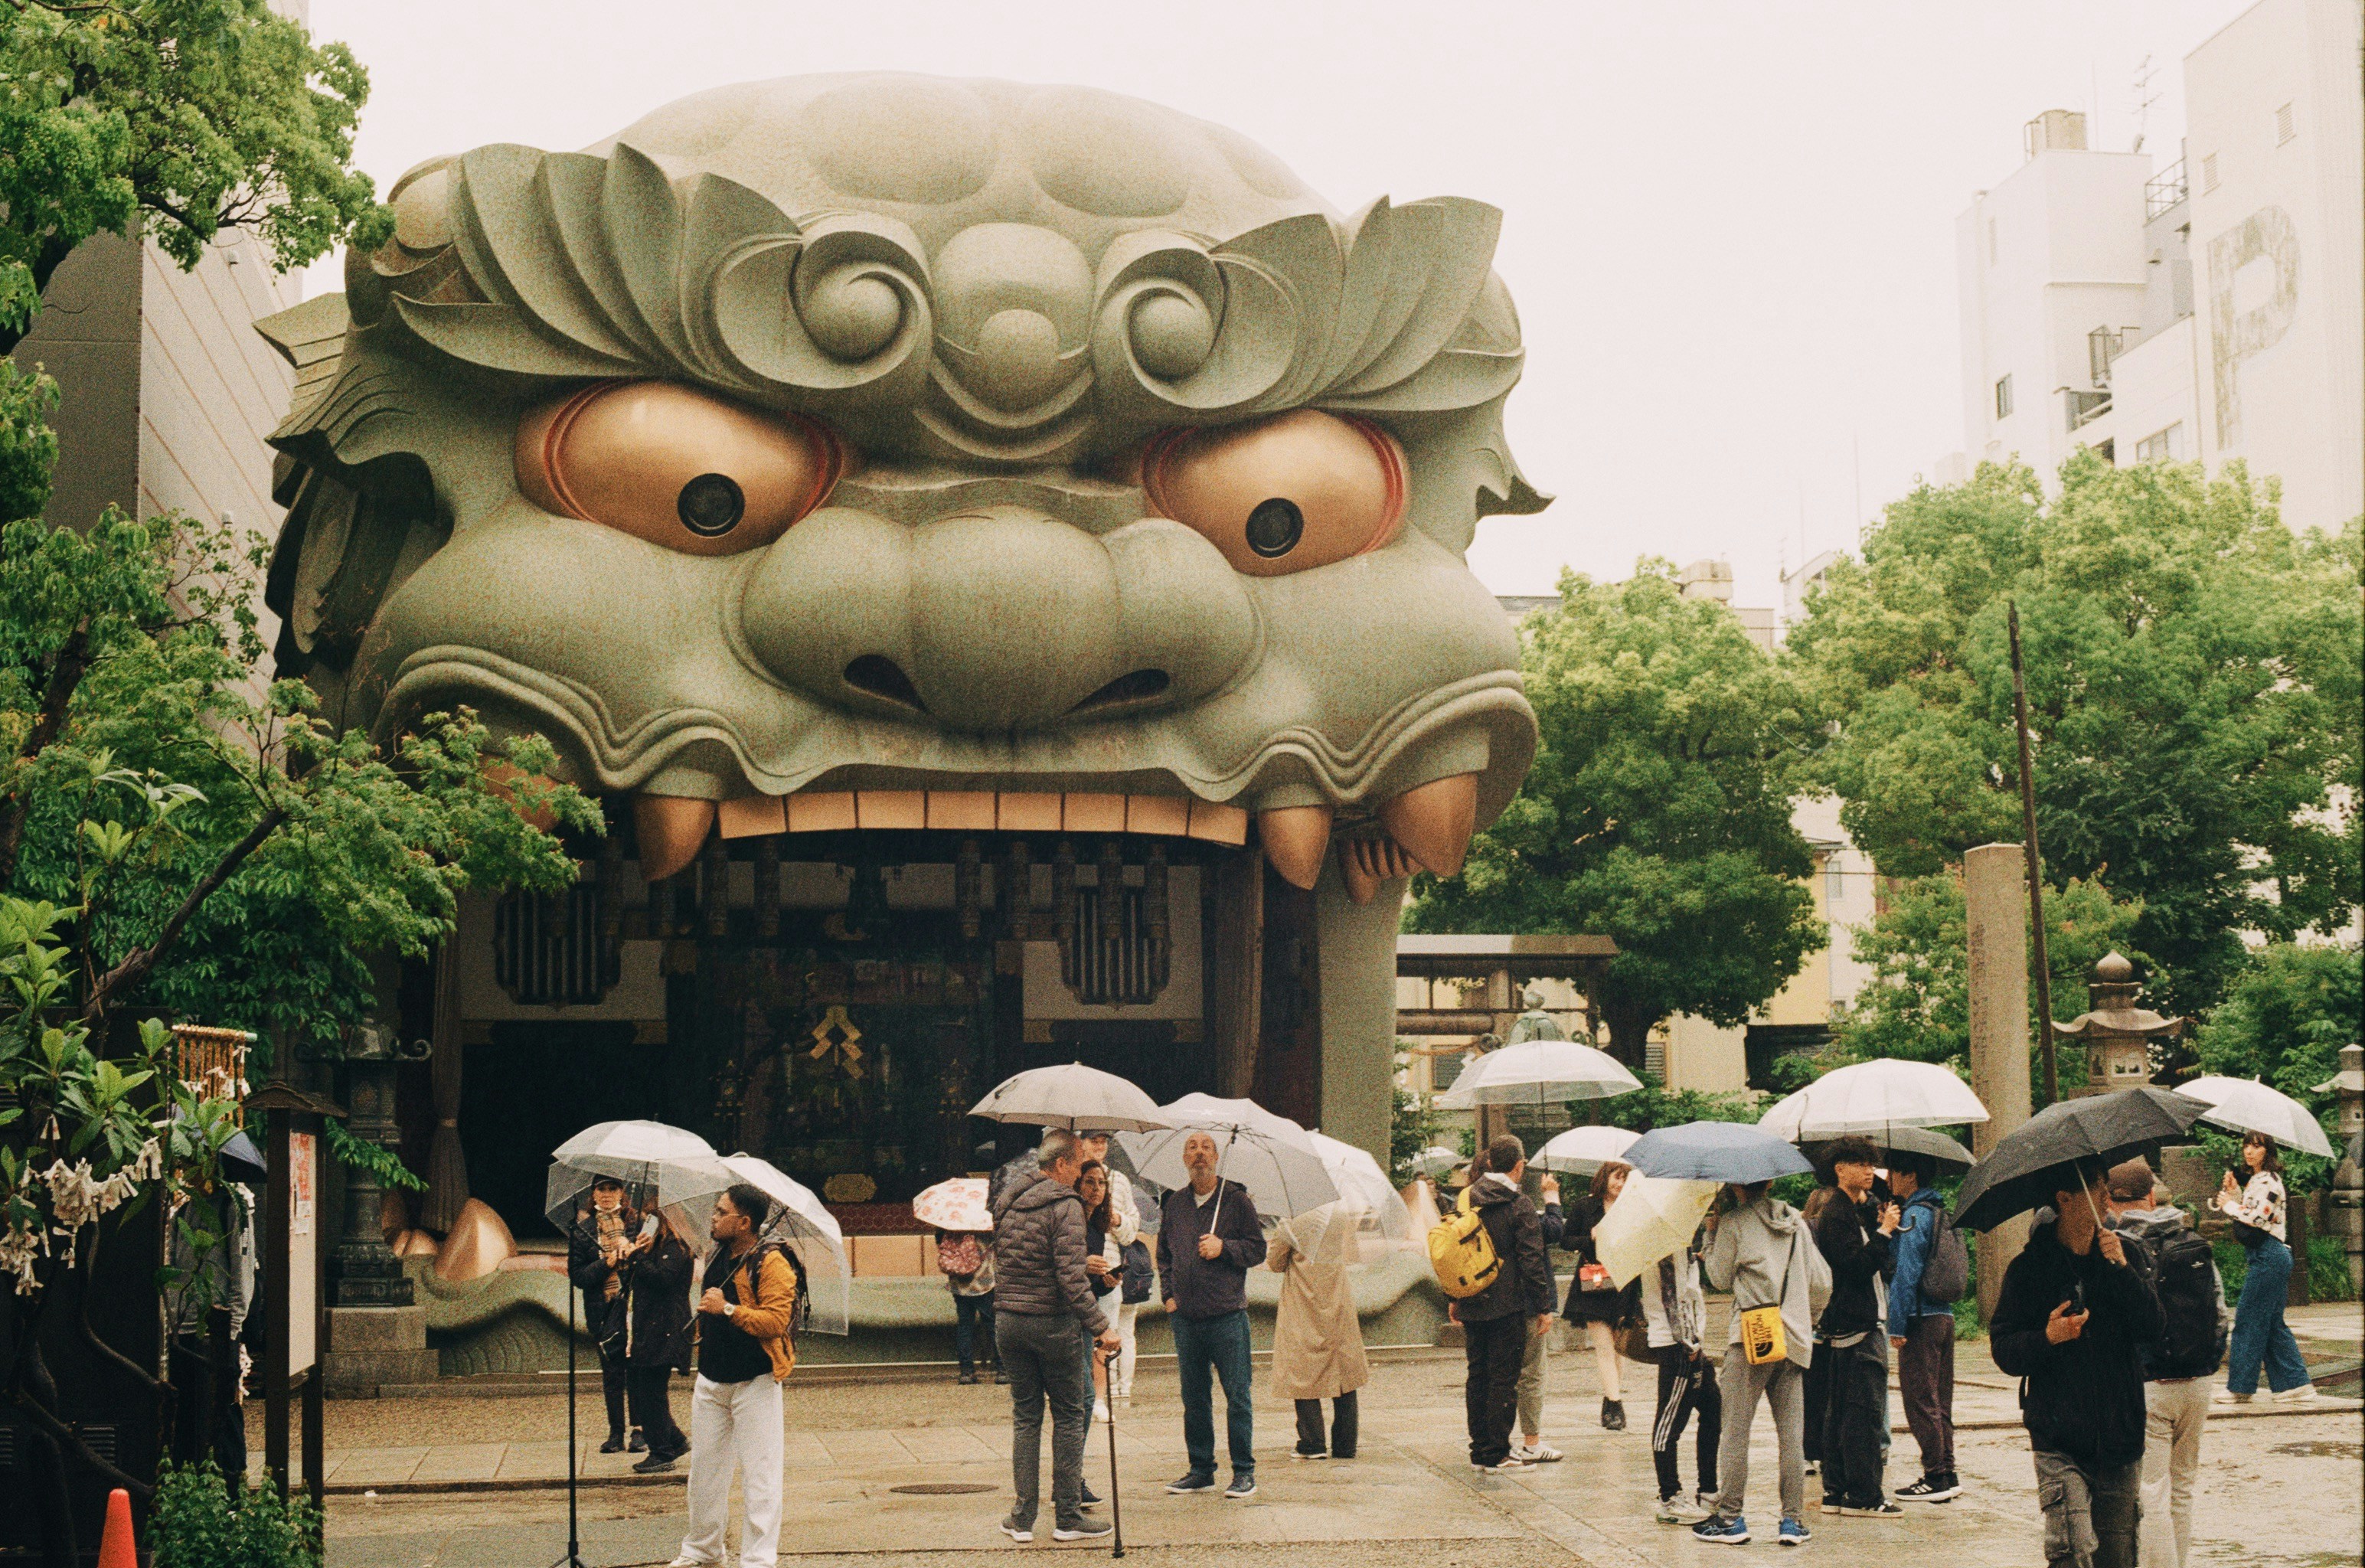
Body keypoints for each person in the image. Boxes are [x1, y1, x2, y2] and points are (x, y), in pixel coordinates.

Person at [1991, 1161, 2164, 1568]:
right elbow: (2004, 1349)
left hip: (2121, 1433)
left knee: (2117, 1558)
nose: (2107, 1196)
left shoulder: (2125, 1253)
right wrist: (2047, 1338)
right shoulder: (2029, 1269)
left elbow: (2154, 1327)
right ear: (2065, 1199)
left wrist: (2121, 1269)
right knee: (2072, 1551)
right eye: (2098, 1187)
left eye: (2105, 1186)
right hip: (2059, 1436)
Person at [990, 1129, 1119, 1544]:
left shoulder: (1008, 1198)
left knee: (1026, 1417)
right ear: (1062, 1164)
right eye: (1079, 1162)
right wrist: (1102, 1327)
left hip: (1009, 1320)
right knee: (1068, 1415)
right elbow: (1069, 1278)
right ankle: (1067, 1517)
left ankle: (1022, 1518)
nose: (1083, 1170)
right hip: (1052, 1323)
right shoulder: (1065, 1205)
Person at [2103, 1159, 2226, 1568]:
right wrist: (2210, 1361)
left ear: (2110, 1201)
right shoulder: (2189, 1239)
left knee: (2151, 1489)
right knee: (2183, 1487)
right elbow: (2221, 1309)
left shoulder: (2116, 1246)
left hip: (2149, 1381)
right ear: (2152, 1197)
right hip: (2198, 1380)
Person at [1696, 1177, 1831, 1548]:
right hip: (1794, 1337)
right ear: (1770, 1181)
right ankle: (1792, 1522)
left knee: (1736, 1428)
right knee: (1791, 1435)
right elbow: (1821, 1282)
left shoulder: (1734, 1222)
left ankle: (1730, 1517)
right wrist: (1808, 1318)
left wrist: (1711, 1234)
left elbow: (1720, 1278)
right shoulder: (1796, 1221)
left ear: (1736, 1186)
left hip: (1753, 1335)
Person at [669, 1184, 796, 1568]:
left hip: (754, 1381)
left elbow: (776, 1321)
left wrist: (727, 1310)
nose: (712, 1216)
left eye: (720, 1212)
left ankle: (758, 1560)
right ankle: (703, 1550)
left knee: (761, 1476)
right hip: (711, 1379)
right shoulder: (717, 1251)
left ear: (744, 1222)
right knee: (704, 1473)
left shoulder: (772, 1262)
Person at [1157, 1129, 1266, 1499]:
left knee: (1237, 1394)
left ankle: (1244, 1472)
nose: (1199, 1153)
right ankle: (1201, 1469)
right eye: (1192, 1147)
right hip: (1186, 1318)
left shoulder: (1236, 1200)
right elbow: (1164, 1255)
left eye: (1206, 1148)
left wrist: (1225, 1248)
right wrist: (1168, 1295)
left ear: (1216, 1157)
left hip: (1226, 1316)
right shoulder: (1174, 1204)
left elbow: (1258, 1249)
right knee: (1194, 1397)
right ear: (1184, 1158)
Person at [1456, 1134, 1557, 1474]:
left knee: (1477, 1375)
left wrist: (1454, 1297)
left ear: (1487, 1163)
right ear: (1519, 1166)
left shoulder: (1467, 1197)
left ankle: (1479, 1450)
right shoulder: (1519, 1204)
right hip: (1507, 1303)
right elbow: (1532, 1260)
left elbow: (1454, 1250)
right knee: (1503, 1378)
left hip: (1472, 1298)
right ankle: (1498, 1451)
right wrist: (1543, 1306)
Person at [1813, 1137, 1901, 1519]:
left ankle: (1836, 1489)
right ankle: (1864, 1494)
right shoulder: (1836, 1213)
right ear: (1840, 1170)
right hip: (1858, 1324)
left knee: (1841, 1411)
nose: (1870, 1170)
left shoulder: (1851, 1209)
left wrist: (1877, 1219)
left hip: (1850, 1322)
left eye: (1872, 1164)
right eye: (1861, 1163)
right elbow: (1856, 1267)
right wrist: (1884, 1234)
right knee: (1863, 1413)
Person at [2211, 1131, 2314, 1406]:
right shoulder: (2257, 1180)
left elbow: (2257, 1218)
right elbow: (2246, 1209)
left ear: (2268, 1152)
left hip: (2270, 1255)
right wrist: (2234, 1192)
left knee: (2247, 1320)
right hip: (2268, 1256)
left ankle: (2240, 1387)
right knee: (2270, 1323)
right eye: (2247, 1145)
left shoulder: (2269, 1181)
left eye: (2257, 1146)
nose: (2249, 1151)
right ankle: (2296, 1384)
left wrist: (2230, 1204)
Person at [1267, 1197, 1370, 1461]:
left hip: (1303, 1299)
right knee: (1343, 1369)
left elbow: (1275, 1262)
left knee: (1303, 1369)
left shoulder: (1291, 1220)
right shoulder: (1339, 1213)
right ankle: (1346, 1445)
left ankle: (1312, 1442)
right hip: (1337, 1296)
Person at [1884, 1152, 1960, 1503]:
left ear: (1909, 1175)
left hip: (1920, 1320)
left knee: (1919, 1400)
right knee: (1940, 1400)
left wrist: (1896, 1324)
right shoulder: (1943, 1213)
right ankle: (1948, 1471)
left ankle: (1934, 1477)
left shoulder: (1914, 1215)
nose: (1890, 1179)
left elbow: (1906, 1274)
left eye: (1895, 1172)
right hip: (1945, 1316)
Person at [1641, 1225, 1723, 1524]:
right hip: (1677, 1343)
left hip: (1690, 1343)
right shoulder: (1662, 1238)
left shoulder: (1679, 1237)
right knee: (1669, 1423)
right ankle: (1670, 1496)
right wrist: (1688, 1342)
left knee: (1714, 1410)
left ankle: (1709, 1489)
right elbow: (1671, 1297)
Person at [1563, 1158, 1643, 1431]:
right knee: (1605, 1348)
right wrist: (1591, 1237)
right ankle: (1616, 1405)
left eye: (1624, 1179)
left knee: (1618, 1348)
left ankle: (1610, 1400)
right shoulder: (1586, 1206)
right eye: (1616, 1177)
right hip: (1593, 1284)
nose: (1619, 1184)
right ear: (1605, 1177)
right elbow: (1565, 1239)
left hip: (1624, 1283)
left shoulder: (1632, 1208)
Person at [568, 1178, 642, 1454]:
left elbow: (648, 1265)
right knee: (612, 1373)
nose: (608, 1194)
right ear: (593, 1193)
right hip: (603, 1308)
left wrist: (631, 1253)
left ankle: (639, 1430)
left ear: (622, 1192)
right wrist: (606, 1262)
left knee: (636, 1368)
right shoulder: (583, 1230)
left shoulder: (636, 1224)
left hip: (634, 1306)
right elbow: (579, 1276)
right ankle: (615, 1432)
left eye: (613, 1189)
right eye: (602, 1189)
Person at [624, 1206, 696, 1473]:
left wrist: (639, 1257)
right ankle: (675, 1440)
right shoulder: (657, 1247)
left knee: (651, 1391)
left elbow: (663, 1279)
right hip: (650, 1326)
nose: (645, 1224)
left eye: (649, 1219)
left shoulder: (676, 1247)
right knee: (648, 1390)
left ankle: (661, 1451)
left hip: (665, 1328)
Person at [1079, 1131, 1145, 1403]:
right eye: (1093, 1139)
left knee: (1111, 1336)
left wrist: (1117, 1220)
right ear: (1080, 1142)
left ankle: (1109, 1394)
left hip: (1109, 1269)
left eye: (1104, 1141)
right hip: (1077, 1270)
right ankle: (1079, 1392)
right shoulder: (1071, 1177)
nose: (1099, 1145)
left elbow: (1132, 1231)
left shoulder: (1119, 1181)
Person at [1513, 1165, 1567, 1462]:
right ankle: (1531, 1442)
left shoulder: (1474, 1200)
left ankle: (1491, 1442)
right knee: (1531, 1373)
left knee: (1496, 1374)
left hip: (1493, 1300)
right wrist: (1551, 1197)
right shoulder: (1518, 1205)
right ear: (1518, 1168)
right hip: (1526, 1302)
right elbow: (1552, 1232)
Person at [1796, 1174, 1840, 1478]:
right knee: (1829, 1392)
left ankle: (1807, 1452)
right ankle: (1826, 1450)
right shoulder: (1837, 1231)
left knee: (1807, 1393)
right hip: (1832, 1321)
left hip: (1808, 1322)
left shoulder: (1802, 1234)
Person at [1077, 1160, 1125, 1423]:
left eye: (1102, 1183)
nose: (1097, 1188)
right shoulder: (1071, 1218)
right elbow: (1062, 1267)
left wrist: (1105, 1281)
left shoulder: (1097, 1227)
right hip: (1068, 1312)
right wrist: (1083, 1265)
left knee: (1083, 1393)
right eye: (1090, 1181)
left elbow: (1089, 1283)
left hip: (1087, 1307)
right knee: (1079, 1393)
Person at [936, 1227, 1000, 1385]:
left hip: (960, 1286)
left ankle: (966, 1372)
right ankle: (1002, 1370)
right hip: (984, 1284)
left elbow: (940, 1245)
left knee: (965, 1327)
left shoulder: (949, 1228)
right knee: (993, 1325)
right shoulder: (985, 1228)